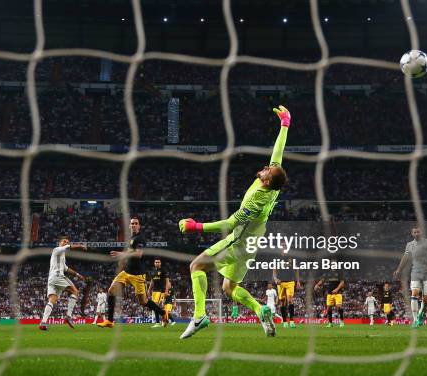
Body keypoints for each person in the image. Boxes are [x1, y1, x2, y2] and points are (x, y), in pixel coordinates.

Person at [178, 105, 292, 339]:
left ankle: (199, 316)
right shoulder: (271, 185)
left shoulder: (257, 199)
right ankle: (261, 310)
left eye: (267, 172)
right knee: (228, 288)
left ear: (268, 182)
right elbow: (278, 153)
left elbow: (230, 223)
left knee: (196, 266)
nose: (264, 169)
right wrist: (285, 124)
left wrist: (196, 226)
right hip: (251, 246)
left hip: (238, 242)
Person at [97, 217, 168, 328]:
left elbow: (139, 254)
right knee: (111, 291)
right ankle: (110, 321)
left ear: (139, 226)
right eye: (132, 223)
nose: (134, 225)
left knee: (143, 301)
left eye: (136, 223)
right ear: (129, 226)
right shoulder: (131, 238)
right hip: (126, 272)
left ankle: (163, 313)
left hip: (138, 274)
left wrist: (122, 254)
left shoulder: (140, 238)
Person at [393, 227, 427, 328]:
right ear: (412, 233)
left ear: (421, 232)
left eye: (418, 232)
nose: (416, 233)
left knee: (426, 299)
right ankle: (415, 320)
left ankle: (420, 315)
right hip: (415, 273)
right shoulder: (409, 245)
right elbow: (405, 257)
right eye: (414, 232)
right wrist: (398, 269)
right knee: (414, 295)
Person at [39, 236, 87, 331]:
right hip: (57, 276)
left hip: (52, 279)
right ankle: (68, 316)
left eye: (67, 242)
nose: (66, 243)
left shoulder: (62, 256)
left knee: (52, 300)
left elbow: (66, 268)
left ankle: (43, 323)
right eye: (64, 241)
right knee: (75, 291)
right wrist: (80, 245)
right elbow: (67, 247)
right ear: (59, 243)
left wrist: (78, 275)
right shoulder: (56, 250)